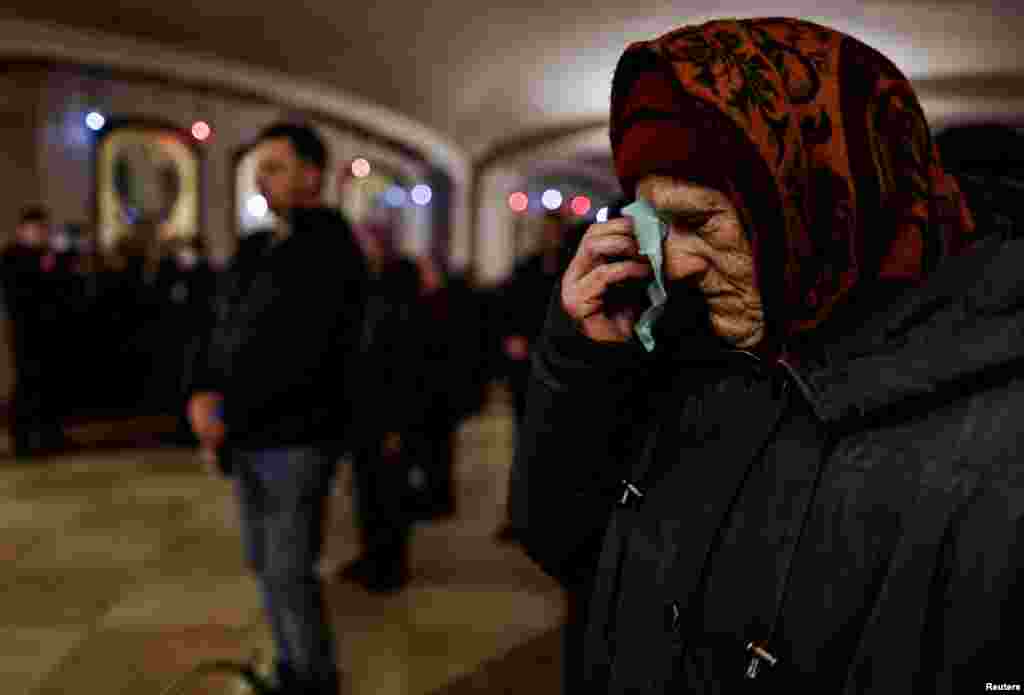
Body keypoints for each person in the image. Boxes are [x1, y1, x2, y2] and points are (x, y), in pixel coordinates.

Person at [510, 18, 1021, 693]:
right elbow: (563, 541)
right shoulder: (688, 342)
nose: (676, 263)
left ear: (819, 202)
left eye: (696, 223)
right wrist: (581, 363)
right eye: (654, 226)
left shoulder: (996, 433)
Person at [187, 122, 367, 695]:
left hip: (296, 437)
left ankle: (313, 679)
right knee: (266, 565)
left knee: (290, 571)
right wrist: (203, 393)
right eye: (260, 168)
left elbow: (303, 353)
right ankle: (290, 667)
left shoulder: (332, 246)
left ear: (312, 173)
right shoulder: (259, 245)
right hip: (247, 435)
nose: (263, 178)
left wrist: (230, 403)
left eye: (276, 166)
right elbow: (220, 328)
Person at [1, 206, 67, 457]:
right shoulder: (11, 255)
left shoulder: (48, 255)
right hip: (25, 330)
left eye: (44, 229)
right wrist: (43, 267)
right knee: (27, 382)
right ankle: (22, 439)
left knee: (49, 383)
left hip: (50, 330)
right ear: (23, 230)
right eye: (36, 229)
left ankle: (48, 435)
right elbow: (19, 292)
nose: (41, 234)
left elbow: (60, 289)